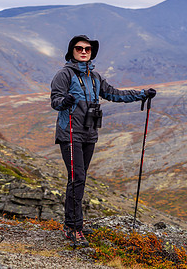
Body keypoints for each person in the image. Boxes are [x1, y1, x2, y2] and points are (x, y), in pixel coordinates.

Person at [50, 35, 156, 246]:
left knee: (79, 178)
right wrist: (65, 101)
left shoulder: (95, 77)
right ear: (72, 50)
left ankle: (73, 223)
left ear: (91, 53)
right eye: (79, 48)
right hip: (70, 133)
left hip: (89, 133)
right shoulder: (64, 75)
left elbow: (114, 94)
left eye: (87, 49)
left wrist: (142, 94)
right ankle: (73, 228)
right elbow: (55, 101)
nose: (83, 51)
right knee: (77, 178)